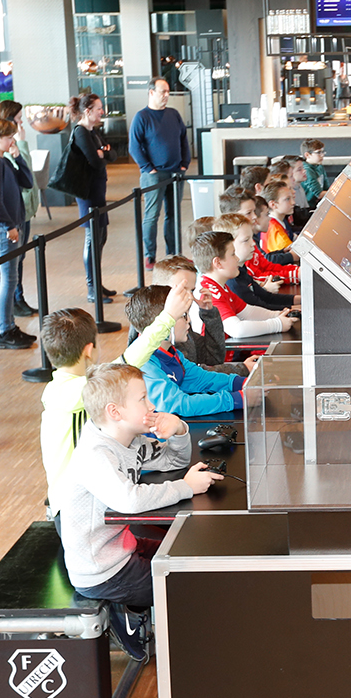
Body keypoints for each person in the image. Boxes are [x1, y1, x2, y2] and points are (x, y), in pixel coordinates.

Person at [48, 363, 220, 658]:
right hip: (102, 571)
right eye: (142, 399)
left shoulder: (129, 438)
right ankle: (174, 649)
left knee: (193, 559)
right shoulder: (96, 454)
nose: (151, 405)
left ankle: (133, 609)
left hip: (121, 548)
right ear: (115, 412)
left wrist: (178, 428)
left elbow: (172, 462)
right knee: (190, 586)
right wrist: (186, 487)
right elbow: (129, 502)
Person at [126, 286, 245, 417]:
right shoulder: (145, 365)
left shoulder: (171, 353)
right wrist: (236, 399)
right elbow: (179, 405)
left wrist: (243, 383)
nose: (189, 320)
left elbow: (202, 379)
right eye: (183, 315)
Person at [0, 117, 37, 350]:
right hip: (3, 228)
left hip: (12, 224)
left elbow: (27, 182)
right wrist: (8, 225)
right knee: (9, 278)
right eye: (8, 137)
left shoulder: (3, 160)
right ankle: (5, 329)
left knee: (11, 277)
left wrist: (17, 156)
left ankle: (8, 326)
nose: (12, 139)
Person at [39, 308, 98, 517]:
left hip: (69, 506)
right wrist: (166, 318)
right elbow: (127, 362)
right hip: (76, 511)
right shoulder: (76, 391)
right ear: (89, 350)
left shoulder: (58, 388)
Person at [146, 257, 249, 376]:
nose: (189, 297)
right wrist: (243, 369)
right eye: (182, 289)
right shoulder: (153, 328)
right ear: (157, 287)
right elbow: (190, 374)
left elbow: (213, 359)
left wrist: (209, 314)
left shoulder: (183, 323)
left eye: (192, 290)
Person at [131, 78, 191, 269]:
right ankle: (149, 256)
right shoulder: (142, 117)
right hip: (153, 175)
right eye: (162, 92)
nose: (166, 96)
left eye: (168, 92)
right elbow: (134, 146)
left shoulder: (173, 114)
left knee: (173, 215)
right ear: (151, 92)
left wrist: (184, 164)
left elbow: (183, 139)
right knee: (152, 215)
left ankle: (173, 254)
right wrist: (148, 168)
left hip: (175, 173)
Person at [193, 231, 294, 340]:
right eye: (232, 254)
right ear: (218, 263)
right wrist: (277, 324)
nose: (237, 258)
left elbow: (249, 312)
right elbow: (237, 329)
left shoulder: (219, 287)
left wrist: (280, 314)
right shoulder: (210, 293)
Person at [69, 91, 116, 303]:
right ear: (88, 111)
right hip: (88, 193)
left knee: (101, 237)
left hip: (98, 190)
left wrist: (103, 153)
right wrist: (101, 154)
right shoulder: (81, 132)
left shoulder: (93, 132)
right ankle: (91, 287)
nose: (102, 111)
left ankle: (98, 283)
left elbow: (111, 155)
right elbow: (95, 162)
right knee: (92, 239)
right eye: (99, 108)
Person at [0, 99, 38, 319]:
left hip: (25, 210)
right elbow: (23, 173)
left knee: (20, 259)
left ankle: (19, 297)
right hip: (14, 211)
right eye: (18, 119)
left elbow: (28, 175)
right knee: (13, 263)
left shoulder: (14, 144)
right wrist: (20, 145)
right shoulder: (2, 152)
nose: (21, 125)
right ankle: (15, 300)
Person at [212, 213, 295, 312]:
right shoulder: (233, 282)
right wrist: (294, 309)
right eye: (246, 240)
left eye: (252, 238)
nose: (253, 243)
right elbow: (259, 308)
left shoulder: (241, 270)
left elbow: (266, 297)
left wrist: (300, 300)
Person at [258, 180, 299, 255]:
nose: (293, 202)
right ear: (273, 204)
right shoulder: (275, 229)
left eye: (292, 198)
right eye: (287, 199)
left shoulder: (280, 221)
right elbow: (293, 254)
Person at [299, 139, 329, 206]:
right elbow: (319, 194)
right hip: (309, 207)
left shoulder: (319, 166)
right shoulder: (306, 170)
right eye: (318, 152)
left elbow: (327, 188)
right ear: (307, 155)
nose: (322, 155)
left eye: (323, 152)